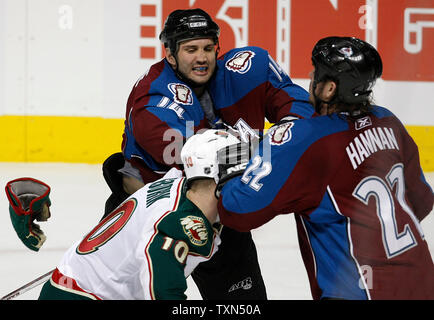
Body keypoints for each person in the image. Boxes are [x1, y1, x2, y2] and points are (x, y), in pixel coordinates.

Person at [102, 8, 315, 299]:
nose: (202, 58)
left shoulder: (246, 71)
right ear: (171, 54)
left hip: (218, 214)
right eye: (191, 49)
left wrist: (288, 135)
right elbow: (199, 157)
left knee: (243, 304)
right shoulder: (152, 98)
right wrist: (272, 147)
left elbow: (303, 113)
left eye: (207, 48)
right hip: (150, 216)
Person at [217, 36, 434, 300]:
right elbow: (422, 201)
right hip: (422, 282)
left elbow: (239, 210)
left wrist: (229, 171)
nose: (310, 76)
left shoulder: (307, 138)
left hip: (358, 293)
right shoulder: (389, 121)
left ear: (329, 89)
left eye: (316, 73)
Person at [38, 130, 243, 300]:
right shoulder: (176, 227)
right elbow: (164, 295)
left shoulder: (178, 183)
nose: (248, 180)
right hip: (82, 295)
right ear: (216, 175)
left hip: (75, 284)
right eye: (240, 171)